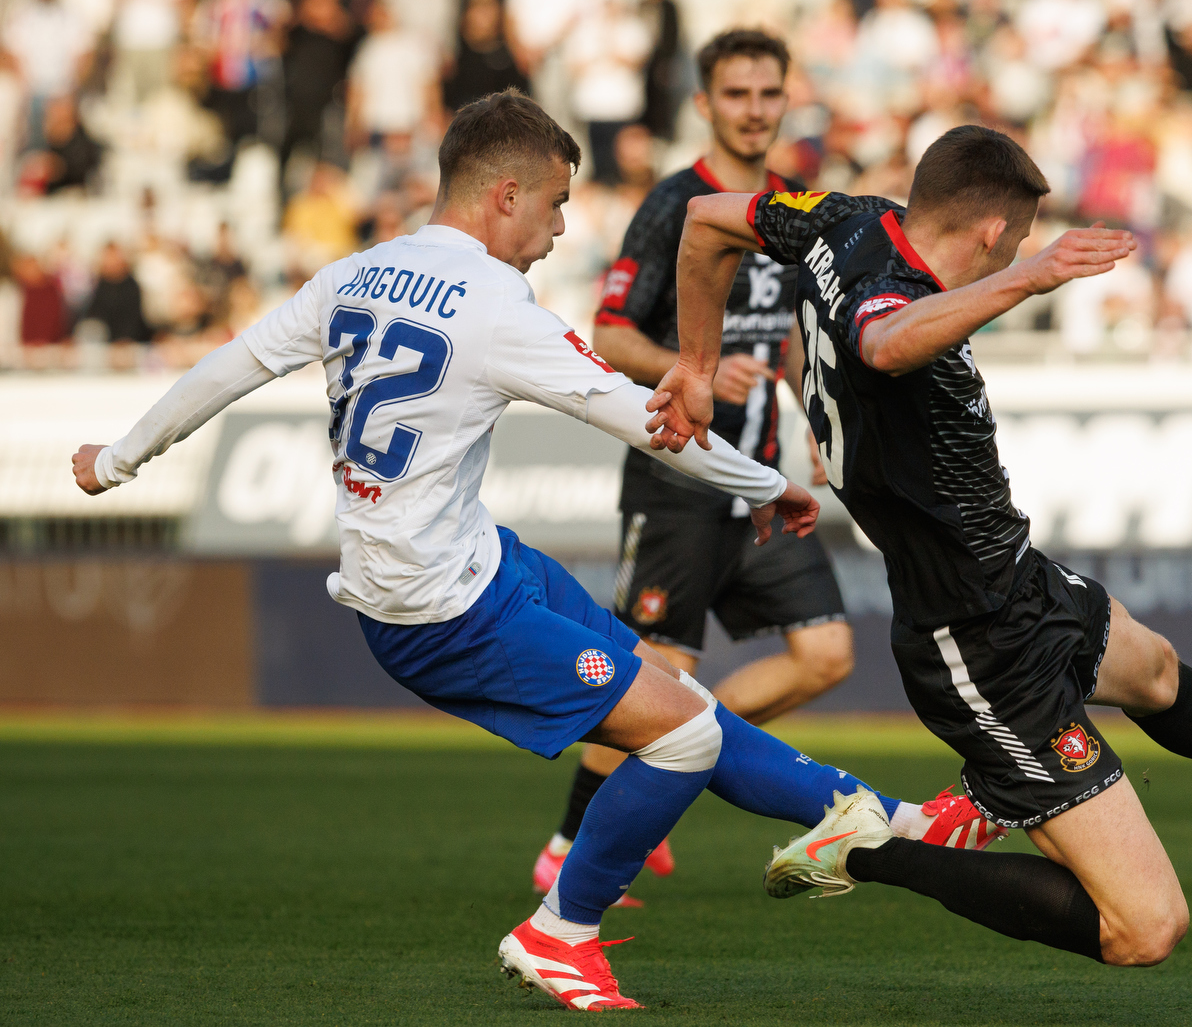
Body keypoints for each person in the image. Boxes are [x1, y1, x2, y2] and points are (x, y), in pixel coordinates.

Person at [69, 93, 1009, 1011]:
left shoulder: (354, 274)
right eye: (556, 202)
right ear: (505, 195)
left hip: (479, 562)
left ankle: (895, 823)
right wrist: (770, 485)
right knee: (678, 738)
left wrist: (116, 459)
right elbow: (642, 420)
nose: (562, 227)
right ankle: (559, 935)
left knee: (684, 707)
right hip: (439, 610)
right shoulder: (493, 306)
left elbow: (232, 363)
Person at [650, 124, 1192, 967]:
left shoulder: (843, 218)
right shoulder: (896, 297)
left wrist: (699, 366)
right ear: (992, 234)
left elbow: (710, 219)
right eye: (1022, 243)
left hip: (1019, 578)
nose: (1021, 256)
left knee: (1152, 670)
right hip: (977, 641)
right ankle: (869, 845)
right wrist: (1036, 279)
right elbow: (881, 339)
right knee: (1146, 930)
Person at [530, 29, 907, 905]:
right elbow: (609, 332)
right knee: (658, 674)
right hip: (677, 476)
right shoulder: (675, 205)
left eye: (768, 94)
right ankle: (569, 843)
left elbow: (778, 331)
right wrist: (689, 367)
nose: (754, 109)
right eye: (736, 94)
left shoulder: (790, 203)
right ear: (704, 104)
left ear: (785, 98)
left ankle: (674, 771)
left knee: (825, 653)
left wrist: (812, 414)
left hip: (758, 477)